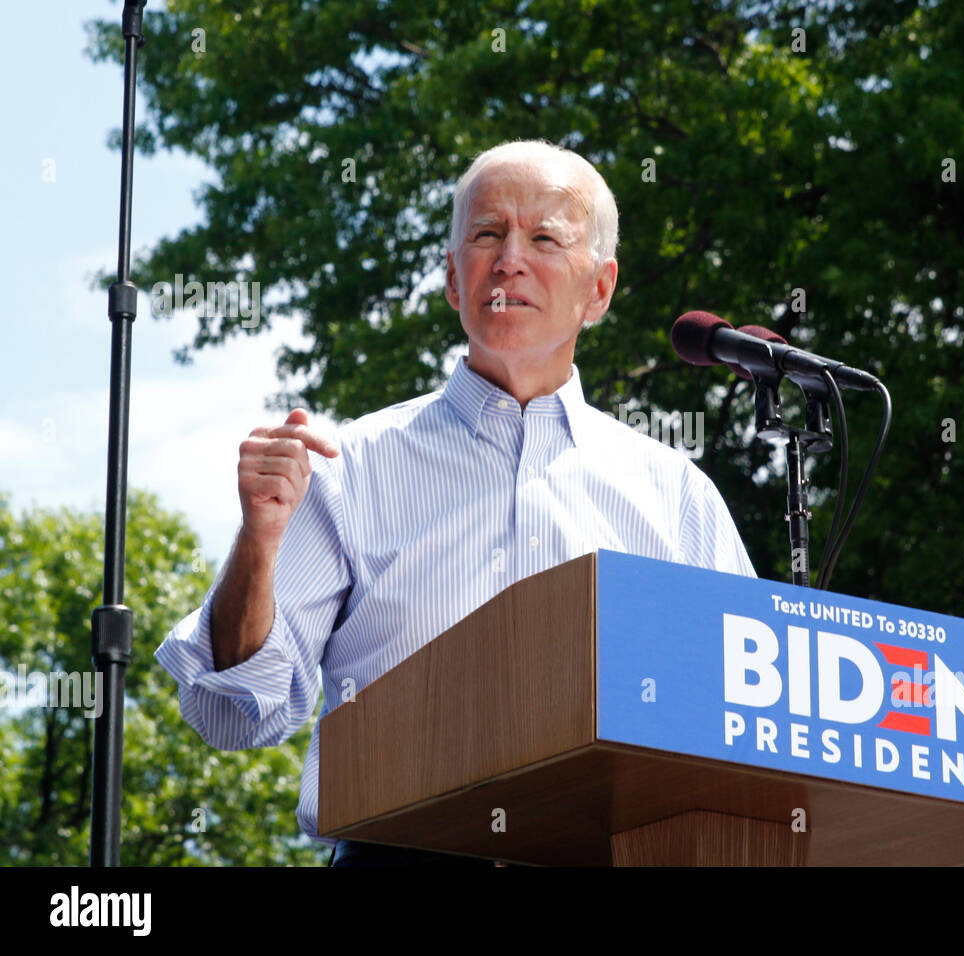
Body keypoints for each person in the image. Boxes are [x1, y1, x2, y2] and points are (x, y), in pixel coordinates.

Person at [154, 140, 756, 866]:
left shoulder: (677, 494)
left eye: (544, 238)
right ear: (451, 279)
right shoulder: (349, 467)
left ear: (599, 290)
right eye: (486, 235)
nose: (510, 261)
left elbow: (740, 721)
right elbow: (234, 712)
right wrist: (257, 539)